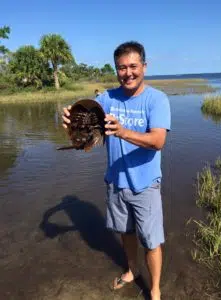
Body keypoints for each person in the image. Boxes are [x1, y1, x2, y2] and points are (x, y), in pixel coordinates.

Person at [62, 41, 171, 300]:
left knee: (151, 240)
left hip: (145, 185)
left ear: (144, 66)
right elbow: (86, 118)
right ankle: (133, 270)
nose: (128, 73)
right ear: (116, 70)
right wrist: (70, 119)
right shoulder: (107, 99)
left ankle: (155, 289)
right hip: (115, 183)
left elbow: (157, 141)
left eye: (133, 66)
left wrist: (122, 131)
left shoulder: (157, 100)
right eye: (122, 68)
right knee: (126, 232)